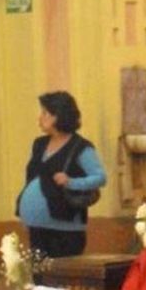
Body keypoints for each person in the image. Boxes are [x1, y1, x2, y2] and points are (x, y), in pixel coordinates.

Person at [17, 91, 106, 259]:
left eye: (45, 113)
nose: (40, 118)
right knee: (39, 273)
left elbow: (100, 177)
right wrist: (25, 211)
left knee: (62, 272)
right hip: (37, 227)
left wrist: (71, 182)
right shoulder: (39, 144)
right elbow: (32, 178)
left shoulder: (80, 147)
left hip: (65, 229)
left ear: (59, 116)